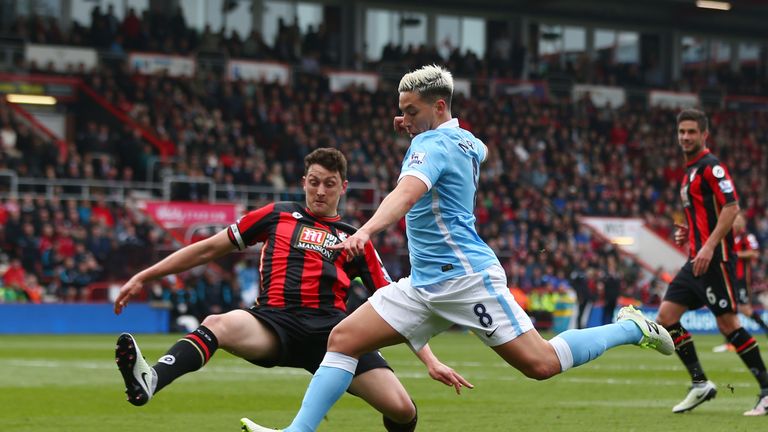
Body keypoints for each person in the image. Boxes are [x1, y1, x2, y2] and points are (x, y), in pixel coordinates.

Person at [240, 65, 674, 432]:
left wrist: (367, 229)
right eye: (401, 112)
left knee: (540, 363)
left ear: (440, 106)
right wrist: (414, 126)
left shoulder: (432, 145)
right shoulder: (465, 141)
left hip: (466, 279)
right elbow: (471, 147)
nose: (404, 119)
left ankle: (631, 327)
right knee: (344, 338)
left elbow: (406, 193)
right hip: (424, 283)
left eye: (410, 111)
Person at [113, 148, 471, 432]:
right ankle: (153, 378)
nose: (320, 190)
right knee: (219, 324)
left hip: (335, 338)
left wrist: (431, 361)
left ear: (342, 187)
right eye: (314, 181)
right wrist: (147, 275)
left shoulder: (355, 239)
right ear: (303, 182)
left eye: (329, 183)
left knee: (403, 409)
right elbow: (208, 248)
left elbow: (397, 307)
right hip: (273, 324)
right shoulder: (277, 215)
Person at [655, 109, 768, 415]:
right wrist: (689, 232)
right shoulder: (688, 172)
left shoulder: (711, 167)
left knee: (728, 324)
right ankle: (699, 383)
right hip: (695, 260)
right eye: (682, 132)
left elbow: (732, 208)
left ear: (704, 135)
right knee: (665, 317)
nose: (686, 137)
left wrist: (707, 246)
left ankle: (767, 391)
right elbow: (706, 214)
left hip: (715, 260)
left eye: (692, 132)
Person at [713, 212, 768, 352]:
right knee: (729, 309)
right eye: (735, 219)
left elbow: (755, 253)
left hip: (741, 279)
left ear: (743, 222)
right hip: (728, 278)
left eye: (739, 220)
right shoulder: (728, 236)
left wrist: (736, 255)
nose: (736, 222)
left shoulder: (747, 237)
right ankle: (729, 342)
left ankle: (765, 328)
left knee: (744, 309)